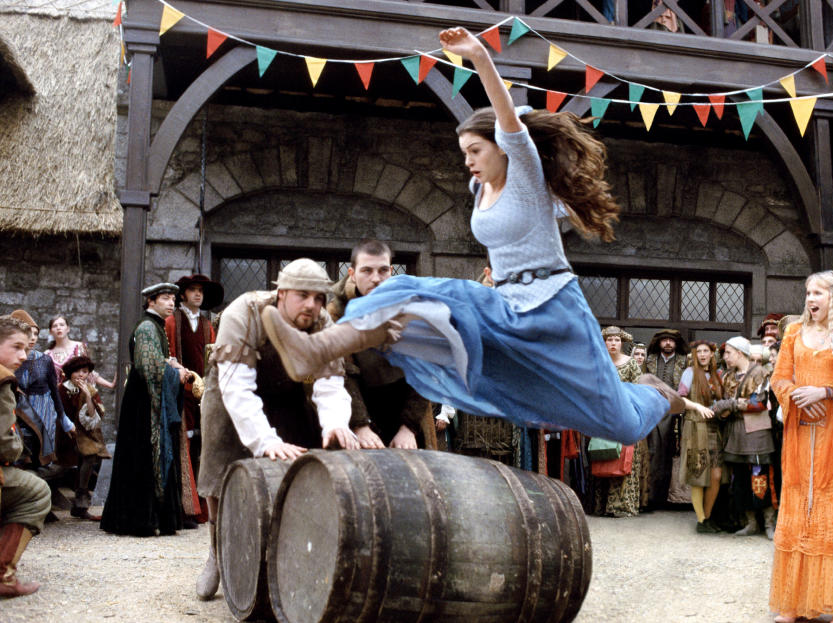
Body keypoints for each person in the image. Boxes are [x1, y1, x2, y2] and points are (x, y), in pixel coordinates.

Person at [259, 26, 676, 448]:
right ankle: (317, 349)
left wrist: (479, 55)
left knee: (621, 425)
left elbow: (507, 116)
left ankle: (658, 395)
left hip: (554, 310)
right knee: (398, 294)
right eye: (464, 153)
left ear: (501, 146)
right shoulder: (479, 188)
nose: (468, 161)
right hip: (504, 306)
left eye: (475, 150)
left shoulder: (525, 174)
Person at [195, 258, 398, 601]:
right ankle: (216, 552)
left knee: (301, 458)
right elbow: (238, 390)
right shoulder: (243, 313)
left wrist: (335, 422)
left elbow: (331, 382)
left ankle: (293, 553)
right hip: (231, 389)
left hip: (283, 388)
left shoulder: (321, 322)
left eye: (318, 298)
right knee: (219, 466)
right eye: (303, 296)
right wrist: (264, 440)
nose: (312, 305)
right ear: (281, 293)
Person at [769, 270, 833, 623]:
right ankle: (794, 603)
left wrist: (826, 392)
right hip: (800, 434)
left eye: (819, 293)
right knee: (799, 508)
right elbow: (779, 378)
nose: (811, 299)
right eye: (808, 292)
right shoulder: (794, 332)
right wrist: (797, 396)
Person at [100, 283, 189, 537]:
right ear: (151, 301)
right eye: (165, 298)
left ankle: (150, 518)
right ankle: (138, 519)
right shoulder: (148, 327)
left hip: (147, 399)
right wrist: (176, 371)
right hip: (144, 403)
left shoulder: (156, 327)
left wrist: (171, 364)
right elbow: (149, 368)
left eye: (173, 299)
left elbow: (157, 362)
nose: (171, 303)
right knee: (143, 456)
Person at [327, 240, 431, 449]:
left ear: (391, 271)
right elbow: (342, 373)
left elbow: (427, 370)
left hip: (406, 407)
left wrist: (408, 428)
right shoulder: (337, 312)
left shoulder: (413, 308)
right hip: (357, 402)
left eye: (383, 270)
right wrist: (360, 425)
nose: (376, 279)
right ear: (352, 273)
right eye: (367, 271)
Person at [165, 273, 223, 528]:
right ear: (183, 294)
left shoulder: (208, 325)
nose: (198, 294)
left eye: (200, 291)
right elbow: (169, 356)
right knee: (183, 446)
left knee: (202, 446)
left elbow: (213, 357)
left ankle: (202, 506)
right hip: (180, 392)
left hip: (204, 393)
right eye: (193, 290)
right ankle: (183, 507)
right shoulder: (172, 321)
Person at [0, 315, 52, 597]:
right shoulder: (2, 380)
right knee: (37, 491)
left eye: (26, 349)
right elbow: (4, 444)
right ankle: (3, 575)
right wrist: (18, 450)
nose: (23, 355)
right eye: (16, 347)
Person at [712, 336, 775, 537]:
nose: (725, 356)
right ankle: (750, 523)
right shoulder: (728, 376)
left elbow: (760, 403)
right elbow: (721, 402)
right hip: (735, 434)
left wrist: (733, 404)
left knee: (760, 477)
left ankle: (768, 524)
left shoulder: (759, 373)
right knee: (739, 480)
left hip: (756, 434)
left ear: (740, 353)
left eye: (729, 352)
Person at [593, 326, 650, 517]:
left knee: (625, 459)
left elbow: (638, 390)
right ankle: (601, 505)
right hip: (604, 417)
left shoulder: (631, 364)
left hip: (625, 417)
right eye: (609, 340)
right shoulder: (599, 364)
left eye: (616, 340)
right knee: (604, 454)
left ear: (622, 343)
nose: (613, 343)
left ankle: (622, 506)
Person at [10, 310, 74, 470]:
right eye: (29, 333)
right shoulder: (10, 359)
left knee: (41, 458)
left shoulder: (44, 360)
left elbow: (54, 391)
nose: (33, 338)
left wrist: (64, 419)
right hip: (19, 411)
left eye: (36, 334)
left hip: (44, 412)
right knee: (21, 452)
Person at [677, 340, 724, 533]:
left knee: (716, 474)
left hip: (714, 429)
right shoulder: (689, 373)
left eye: (706, 351)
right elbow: (679, 398)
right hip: (695, 427)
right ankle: (701, 519)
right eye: (699, 352)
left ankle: (708, 515)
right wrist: (696, 407)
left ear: (712, 354)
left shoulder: (718, 375)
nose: (703, 355)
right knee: (698, 473)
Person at [58, 355, 111, 521]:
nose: (81, 375)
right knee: (57, 467)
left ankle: (81, 501)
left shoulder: (91, 389)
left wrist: (87, 395)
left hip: (85, 433)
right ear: (69, 373)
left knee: (89, 457)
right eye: (77, 371)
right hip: (64, 433)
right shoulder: (62, 389)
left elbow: (94, 415)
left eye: (85, 371)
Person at [641, 328, 690, 507]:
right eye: (664, 340)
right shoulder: (650, 360)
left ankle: (669, 497)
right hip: (653, 410)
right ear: (659, 343)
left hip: (674, 411)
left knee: (671, 453)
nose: (668, 343)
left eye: (671, 340)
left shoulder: (684, 361)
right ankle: (651, 497)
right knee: (653, 452)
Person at [45, 316, 115, 389]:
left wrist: (110, 385)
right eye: (55, 326)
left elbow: (89, 373)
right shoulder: (47, 354)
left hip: (77, 394)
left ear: (68, 329)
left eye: (62, 325)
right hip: (56, 396)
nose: (58, 328)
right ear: (50, 331)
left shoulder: (79, 347)